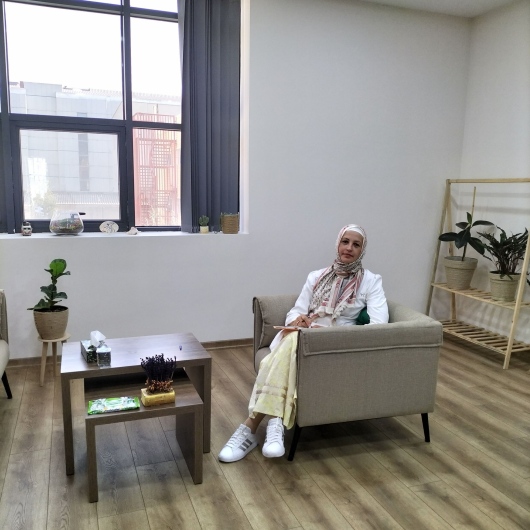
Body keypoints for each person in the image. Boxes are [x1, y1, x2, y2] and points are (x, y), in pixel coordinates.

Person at [218, 224, 389, 463]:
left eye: (356, 244)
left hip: (332, 344)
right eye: (345, 242)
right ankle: (275, 424)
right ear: (338, 244)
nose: (349, 248)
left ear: (363, 250)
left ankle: (250, 428)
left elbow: (379, 324)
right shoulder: (316, 276)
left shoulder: (370, 281)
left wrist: (335, 333)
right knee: (294, 338)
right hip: (302, 336)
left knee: (283, 350)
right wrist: (298, 320)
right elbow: (297, 310)